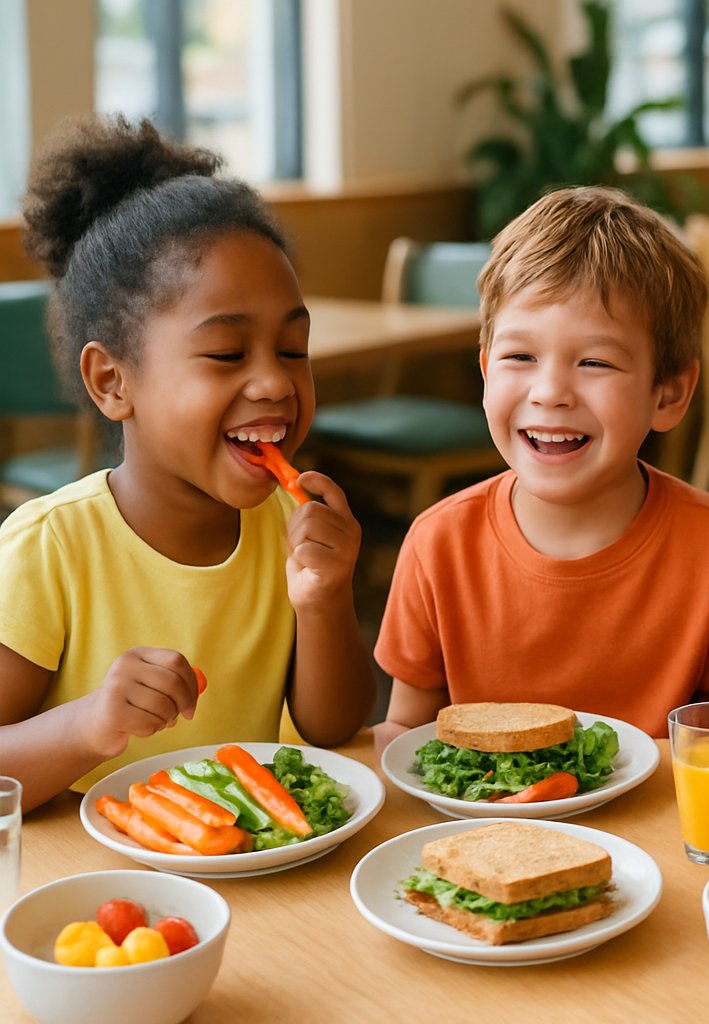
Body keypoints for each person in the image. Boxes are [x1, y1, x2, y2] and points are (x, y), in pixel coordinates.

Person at [0, 117, 375, 811]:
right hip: (95, 896)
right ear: (114, 382)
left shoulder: (288, 526)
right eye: (227, 354)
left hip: (256, 873)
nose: (274, 383)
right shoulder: (51, 547)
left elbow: (334, 725)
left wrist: (324, 601)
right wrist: (88, 725)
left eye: (293, 350)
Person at [372, 186, 709, 754]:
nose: (550, 393)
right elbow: (407, 733)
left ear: (668, 394)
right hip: (493, 834)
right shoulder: (438, 544)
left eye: (594, 362)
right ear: (487, 369)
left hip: (658, 834)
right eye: (520, 357)